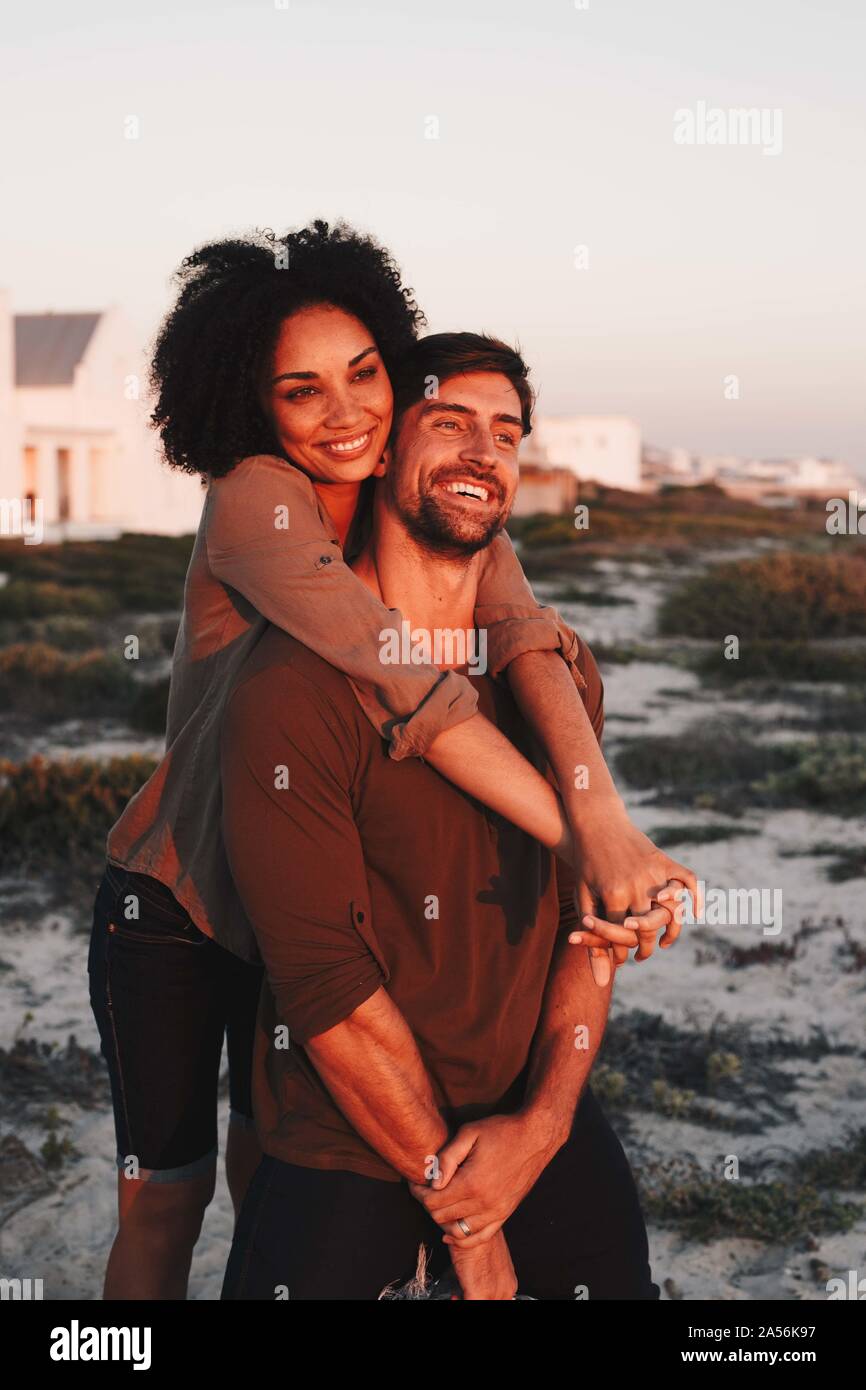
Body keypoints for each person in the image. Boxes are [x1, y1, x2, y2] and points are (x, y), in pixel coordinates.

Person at [89, 221, 693, 1299]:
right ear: (250, 402)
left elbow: (521, 638)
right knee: (166, 1195)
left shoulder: (420, 494)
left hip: (288, 895)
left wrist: (603, 825)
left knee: (262, 1162)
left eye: (364, 375)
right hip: (180, 902)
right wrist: (584, 839)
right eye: (300, 390)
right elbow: (407, 680)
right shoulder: (256, 501)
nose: (347, 411)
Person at [220, 334, 663, 1300]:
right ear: (382, 450)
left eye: (505, 434)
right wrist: (468, 1220)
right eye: (450, 423)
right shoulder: (291, 687)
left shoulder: (553, 680)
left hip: (526, 1117)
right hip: (350, 1134)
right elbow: (327, 993)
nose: (481, 452)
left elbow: (587, 926)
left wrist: (541, 1125)